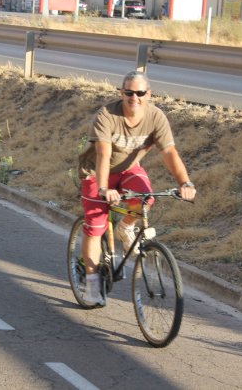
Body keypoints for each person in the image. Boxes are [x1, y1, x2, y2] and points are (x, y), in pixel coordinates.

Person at [77, 71, 196, 305]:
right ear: (121, 93)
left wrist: (185, 182)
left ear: (148, 94)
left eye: (140, 93)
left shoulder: (156, 117)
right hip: (96, 172)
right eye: (129, 92)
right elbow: (104, 153)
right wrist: (103, 188)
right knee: (95, 227)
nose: (135, 98)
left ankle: (126, 226)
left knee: (146, 198)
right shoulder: (107, 115)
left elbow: (169, 152)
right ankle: (91, 283)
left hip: (129, 169)